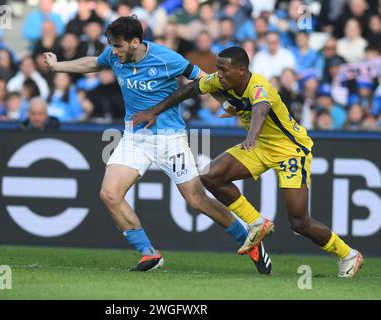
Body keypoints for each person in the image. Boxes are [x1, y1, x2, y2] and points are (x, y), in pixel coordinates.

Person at [44, 16, 272, 274]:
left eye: (118, 46)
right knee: (109, 194)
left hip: (170, 138)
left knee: (197, 201)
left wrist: (225, 104)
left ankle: (250, 241)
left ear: (136, 42)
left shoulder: (167, 58)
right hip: (134, 137)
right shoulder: (114, 54)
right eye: (112, 46)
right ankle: (149, 254)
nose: (114, 51)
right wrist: (58, 66)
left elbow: (202, 79)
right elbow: (93, 63)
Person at [132, 46, 364, 278]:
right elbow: (192, 88)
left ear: (241, 70)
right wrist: (154, 111)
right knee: (211, 176)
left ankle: (349, 254)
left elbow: (260, 111)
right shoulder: (220, 82)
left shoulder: (260, 87)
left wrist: (250, 136)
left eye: (224, 69)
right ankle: (256, 221)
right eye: (217, 69)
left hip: (290, 150)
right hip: (259, 146)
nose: (219, 74)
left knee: (299, 222)